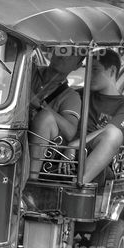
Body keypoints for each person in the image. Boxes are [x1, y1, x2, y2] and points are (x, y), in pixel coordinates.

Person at [73, 49, 124, 186]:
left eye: (95, 70)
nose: (89, 76)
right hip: (64, 155)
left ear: (112, 71)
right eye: (87, 71)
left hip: (96, 160)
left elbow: (110, 130)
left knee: (113, 134)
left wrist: (75, 145)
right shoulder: (77, 94)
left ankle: (78, 184)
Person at [26, 52, 83, 185]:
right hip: (9, 133)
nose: (64, 55)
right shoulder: (29, 69)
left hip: (43, 150)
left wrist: (40, 105)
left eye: (71, 54)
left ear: (78, 65)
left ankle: (31, 183)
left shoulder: (70, 96)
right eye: (62, 49)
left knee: (45, 118)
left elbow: (70, 131)